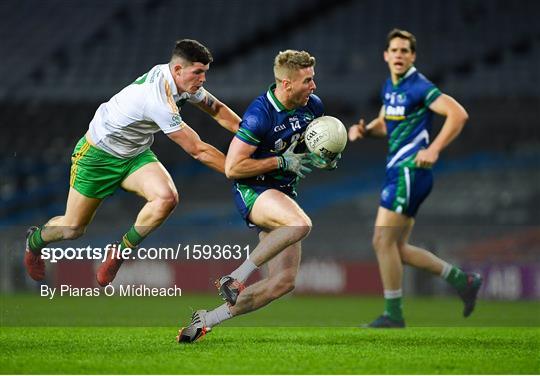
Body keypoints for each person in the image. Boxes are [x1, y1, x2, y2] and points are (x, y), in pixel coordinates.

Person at [24, 39, 241, 286]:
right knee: (72, 229)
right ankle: (34, 242)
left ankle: (119, 251)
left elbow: (218, 109)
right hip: (97, 157)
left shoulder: (182, 83)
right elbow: (198, 150)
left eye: (205, 73)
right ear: (178, 69)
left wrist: (250, 135)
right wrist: (240, 171)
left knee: (166, 198)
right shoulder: (157, 98)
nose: (202, 80)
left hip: (134, 154)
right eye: (198, 73)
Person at [176, 49, 338, 343]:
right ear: (286, 84)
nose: (313, 86)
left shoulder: (312, 106)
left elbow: (307, 146)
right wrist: (280, 162)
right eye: (308, 81)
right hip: (255, 189)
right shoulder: (259, 114)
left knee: (283, 283)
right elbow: (233, 167)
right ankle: (235, 277)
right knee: (299, 225)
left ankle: (207, 319)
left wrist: (321, 157)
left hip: (283, 192)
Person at [348, 29, 482, 328]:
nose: (398, 55)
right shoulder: (390, 87)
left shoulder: (419, 86)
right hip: (400, 172)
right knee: (397, 248)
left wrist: (434, 148)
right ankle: (464, 280)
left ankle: (393, 315)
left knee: (381, 241)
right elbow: (387, 123)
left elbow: (457, 114)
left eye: (404, 51)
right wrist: (366, 130)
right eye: (394, 50)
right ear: (386, 55)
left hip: (410, 172)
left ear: (412, 56)